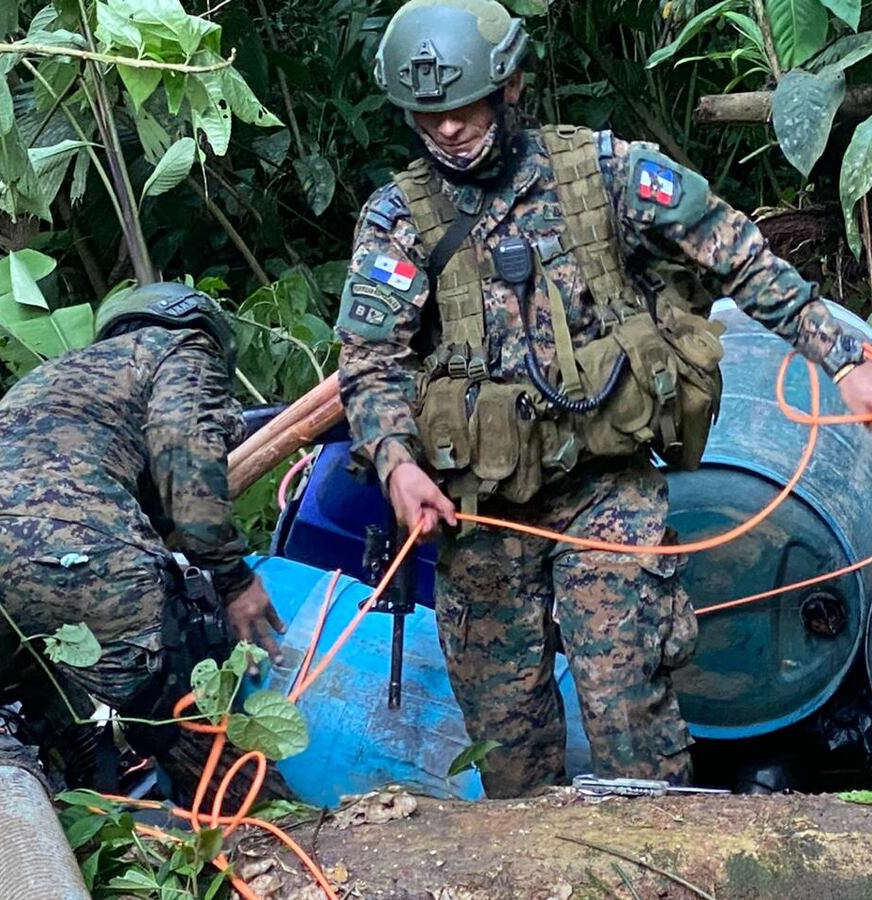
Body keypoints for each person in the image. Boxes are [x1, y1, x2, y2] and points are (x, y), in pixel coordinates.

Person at [335, 0, 872, 798]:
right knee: (508, 742)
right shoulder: (398, 219)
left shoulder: (604, 172)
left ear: (510, 86)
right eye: (428, 114)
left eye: (464, 107)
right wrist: (395, 463)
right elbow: (369, 360)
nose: (447, 129)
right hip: (480, 509)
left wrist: (842, 353)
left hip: (604, 488)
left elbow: (735, 252)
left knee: (632, 718)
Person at [0, 282, 286, 799]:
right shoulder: (181, 347)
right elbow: (183, 449)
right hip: (75, 545)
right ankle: (272, 843)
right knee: (182, 725)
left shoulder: (54, 378)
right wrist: (232, 578)